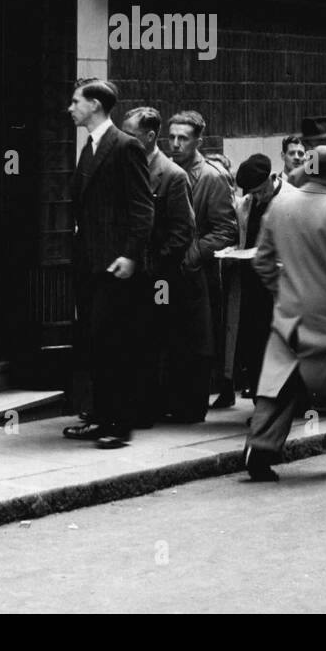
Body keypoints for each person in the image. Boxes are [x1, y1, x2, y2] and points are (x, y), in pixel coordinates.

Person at [244, 146, 326, 482]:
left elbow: (261, 261)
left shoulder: (279, 206)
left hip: (289, 312)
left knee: (278, 387)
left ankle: (260, 451)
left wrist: (282, 289)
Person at [63, 78, 154, 448]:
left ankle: (120, 425)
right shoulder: (90, 146)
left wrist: (131, 255)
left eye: (75, 102)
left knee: (116, 344)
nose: (70, 108)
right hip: (90, 263)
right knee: (96, 343)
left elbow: (143, 208)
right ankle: (101, 417)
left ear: (96, 105)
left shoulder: (125, 146)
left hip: (115, 264)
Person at [122, 106, 196, 426]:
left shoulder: (172, 176)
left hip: (158, 278)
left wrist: (156, 267)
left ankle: (148, 406)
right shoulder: (124, 166)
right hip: (130, 271)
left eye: (130, 134)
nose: (124, 139)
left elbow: (183, 231)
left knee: (154, 335)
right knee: (131, 337)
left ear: (150, 137)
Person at [167, 109, 237, 421]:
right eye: (172, 137)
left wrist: (194, 255)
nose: (176, 143)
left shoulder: (211, 177)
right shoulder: (166, 171)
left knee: (197, 340)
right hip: (167, 271)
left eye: (183, 138)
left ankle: (192, 405)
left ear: (198, 140)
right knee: (170, 337)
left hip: (197, 274)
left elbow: (226, 230)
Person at [217, 153, 281, 407]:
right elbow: (239, 236)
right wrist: (231, 252)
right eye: (251, 192)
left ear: (272, 179)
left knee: (275, 346)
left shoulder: (288, 201)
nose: (256, 196)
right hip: (250, 285)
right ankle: (259, 401)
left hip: (277, 284)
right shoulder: (245, 205)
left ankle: (276, 404)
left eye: (259, 190)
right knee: (253, 345)